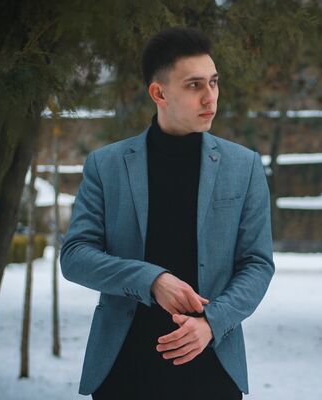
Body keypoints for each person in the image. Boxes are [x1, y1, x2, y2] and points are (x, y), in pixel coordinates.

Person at [60, 27, 275, 400]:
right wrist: (152, 280)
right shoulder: (106, 165)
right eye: (194, 85)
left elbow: (257, 264)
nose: (210, 97)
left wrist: (212, 323)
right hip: (123, 370)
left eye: (213, 82)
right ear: (159, 93)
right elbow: (75, 256)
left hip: (211, 366)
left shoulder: (244, 166)